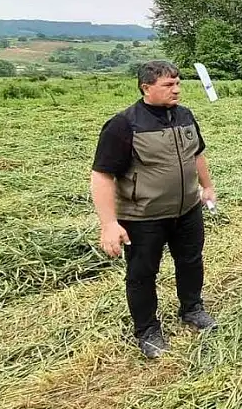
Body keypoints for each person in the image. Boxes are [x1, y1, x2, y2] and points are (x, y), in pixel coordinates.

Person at [90, 61, 217, 359]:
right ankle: (147, 330)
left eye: (178, 83)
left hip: (187, 209)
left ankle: (192, 308)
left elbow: (197, 153)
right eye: (168, 85)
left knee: (190, 261)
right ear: (146, 88)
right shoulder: (124, 125)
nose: (177, 89)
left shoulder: (185, 115)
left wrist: (207, 186)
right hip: (143, 216)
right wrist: (108, 224)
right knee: (142, 274)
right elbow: (101, 175)